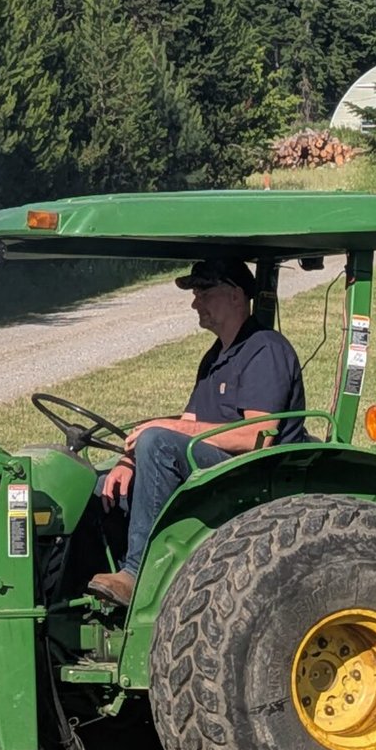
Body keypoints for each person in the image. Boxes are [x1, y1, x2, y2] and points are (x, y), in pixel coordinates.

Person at [88, 255, 307, 606]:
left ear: (236, 295)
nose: (195, 302)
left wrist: (161, 429)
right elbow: (190, 423)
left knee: (159, 442)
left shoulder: (265, 349)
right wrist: (128, 461)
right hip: (219, 469)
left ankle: (137, 575)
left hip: (256, 478)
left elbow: (257, 436)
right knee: (100, 485)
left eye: (204, 292)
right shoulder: (217, 356)